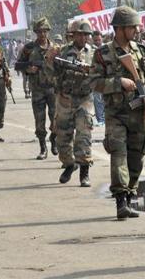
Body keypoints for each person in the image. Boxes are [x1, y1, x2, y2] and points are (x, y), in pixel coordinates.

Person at [90, 6, 145, 220]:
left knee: (137, 155)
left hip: (139, 112)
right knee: (119, 153)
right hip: (116, 113)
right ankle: (120, 200)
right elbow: (94, 82)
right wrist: (118, 82)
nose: (136, 30)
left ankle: (129, 196)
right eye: (132, 27)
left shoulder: (142, 50)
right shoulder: (103, 54)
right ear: (119, 29)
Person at [48, 19, 95, 187]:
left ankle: (84, 172)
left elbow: (101, 73)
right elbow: (50, 73)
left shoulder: (94, 53)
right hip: (65, 99)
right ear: (73, 35)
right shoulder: (62, 52)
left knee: (84, 136)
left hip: (84, 99)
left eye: (86, 35)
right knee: (62, 137)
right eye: (79, 34)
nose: (83, 38)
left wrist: (89, 70)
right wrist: (51, 61)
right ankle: (69, 164)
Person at [15, 17, 58, 160]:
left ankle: (54, 140)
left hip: (53, 90)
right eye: (39, 32)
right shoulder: (29, 48)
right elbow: (18, 64)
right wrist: (29, 69)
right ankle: (42, 147)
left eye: (45, 31)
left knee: (56, 119)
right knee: (39, 121)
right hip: (38, 90)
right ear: (36, 33)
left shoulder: (55, 48)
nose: (42, 34)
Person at [92, 30, 105, 126]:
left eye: (99, 40)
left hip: (106, 78)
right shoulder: (90, 50)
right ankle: (100, 119)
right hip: (96, 79)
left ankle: (105, 118)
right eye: (95, 40)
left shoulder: (107, 49)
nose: (97, 42)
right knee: (97, 100)